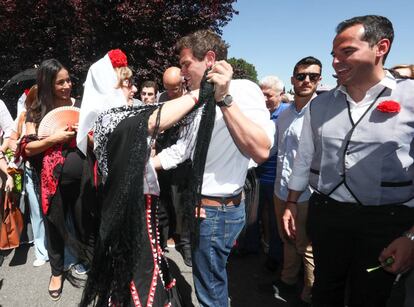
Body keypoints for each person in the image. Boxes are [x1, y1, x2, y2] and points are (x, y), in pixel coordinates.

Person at [284, 15, 414, 307]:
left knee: (372, 296)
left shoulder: (411, 98)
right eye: (334, 54)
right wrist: (292, 202)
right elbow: (304, 157)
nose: (335, 62)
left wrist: (412, 237)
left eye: (347, 52)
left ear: (381, 47)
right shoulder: (320, 104)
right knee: (325, 290)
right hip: (327, 216)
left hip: (388, 223)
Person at [152, 29, 274, 307]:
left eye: (185, 64)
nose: (182, 72)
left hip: (218, 211)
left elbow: (261, 149)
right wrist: (143, 166)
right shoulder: (197, 97)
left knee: (210, 288)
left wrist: (224, 99)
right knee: (209, 278)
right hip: (200, 206)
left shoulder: (242, 90)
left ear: (208, 58)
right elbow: (182, 150)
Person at [78, 49, 205, 306]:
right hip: (131, 210)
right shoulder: (109, 118)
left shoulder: (118, 116)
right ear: (108, 87)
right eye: (127, 83)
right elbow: (157, 118)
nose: (134, 89)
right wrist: (203, 92)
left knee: (143, 267)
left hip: (138, 205)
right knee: (140, 272)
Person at [22, 59, 93, 301]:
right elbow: (28, 148)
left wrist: (86, 135)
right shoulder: (36, 111)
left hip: (83, 175)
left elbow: (96, 139)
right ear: (47, 84)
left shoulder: (81, 105)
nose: (67, 85)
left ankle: (89, 261)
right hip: (52, 182)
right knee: (54, 226)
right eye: (60, 82)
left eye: (68, 80)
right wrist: (55, 138)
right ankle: (56, 272)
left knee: (86, 221)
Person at [272, 56, 321, 305]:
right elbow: (277, 151)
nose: (306, 81)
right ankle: (288, 280)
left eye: (313, 76)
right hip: (281, 189)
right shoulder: (284, 115)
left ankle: (309, 294)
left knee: (306, 247)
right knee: (286, 238)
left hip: (306, 193)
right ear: (293, 80)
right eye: (301, 76)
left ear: (319, 80)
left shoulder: (322, 114)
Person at [246, 75, 288, 270]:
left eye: (268, 95)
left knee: (274, 220)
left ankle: (275, 257)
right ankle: (251, 248)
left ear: (281, 95)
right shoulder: (255, 112)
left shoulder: (287, 115)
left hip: (277, 179)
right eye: (261, 94)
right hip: (255, 176)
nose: (264, 99)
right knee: (252, 216)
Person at [7, 85, 49, 267]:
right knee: (36, 210)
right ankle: (41, 250)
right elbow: (9, 141)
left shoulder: (51, 114)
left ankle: (57, 247)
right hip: (31, 169)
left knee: (54, 209)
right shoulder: (24, 116)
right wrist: (18, 146)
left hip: (50, 168)